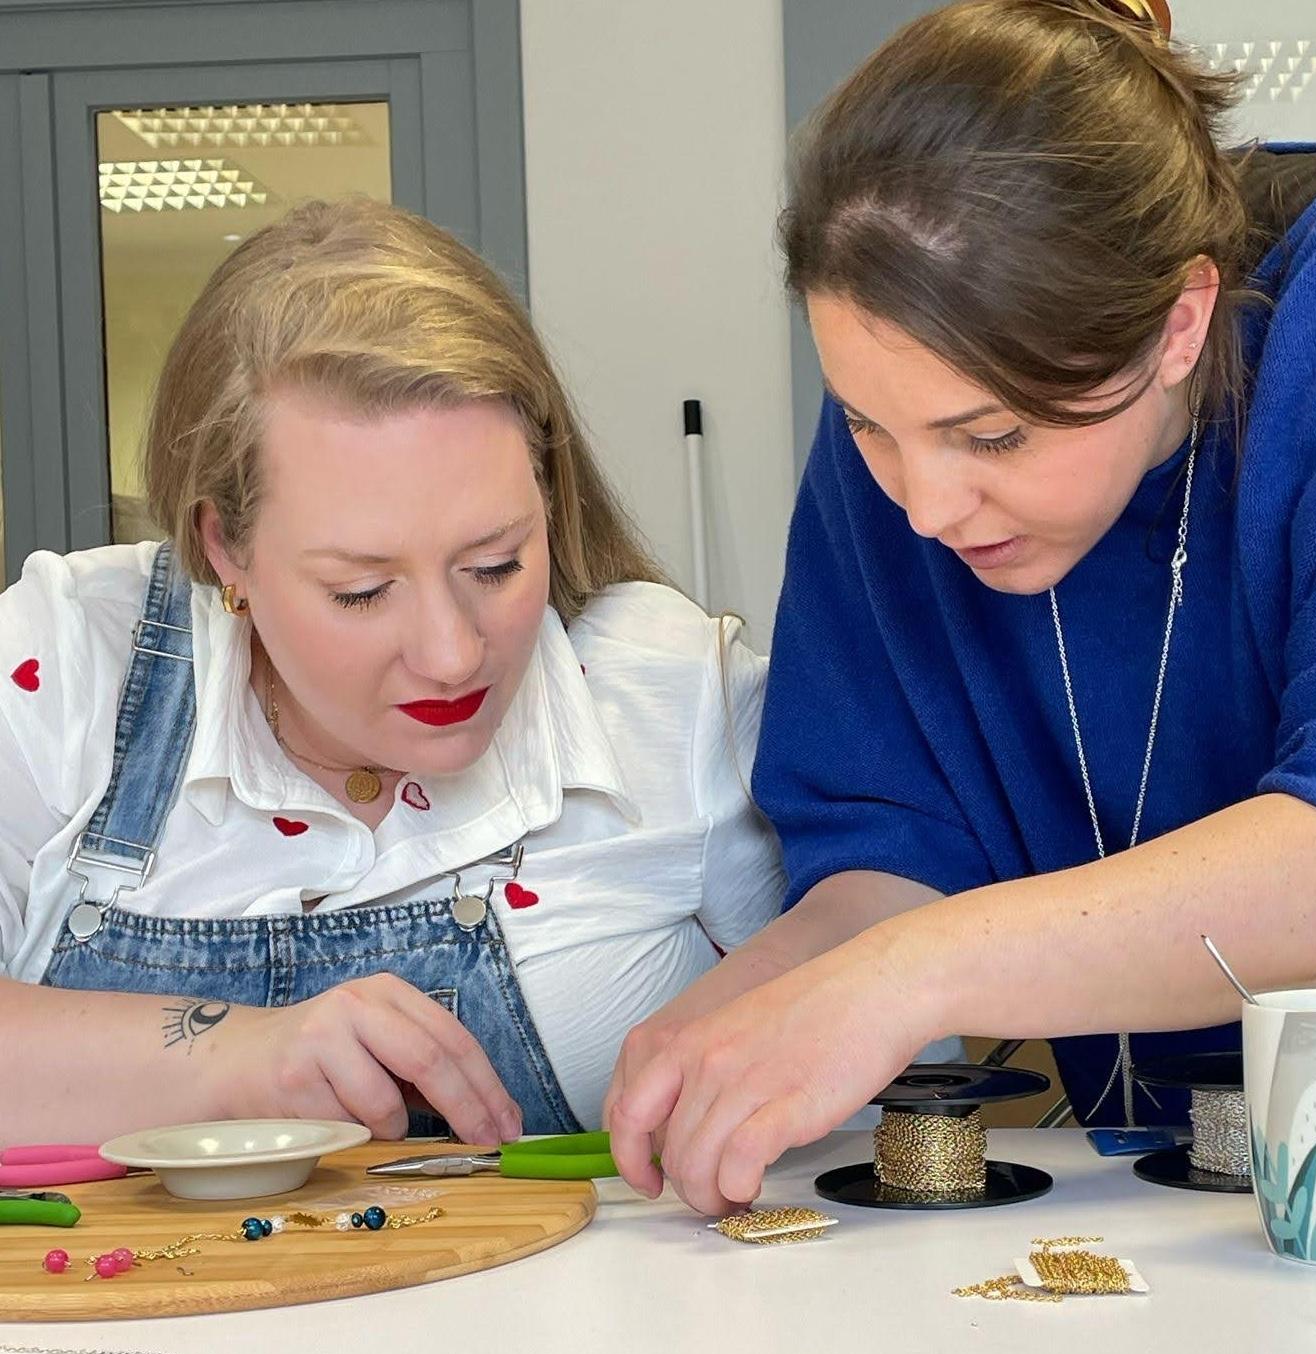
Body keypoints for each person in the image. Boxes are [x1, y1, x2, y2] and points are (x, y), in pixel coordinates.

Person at [607, 0, 1316, 1214]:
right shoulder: (910, 435)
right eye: (870, 426)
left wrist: (909, 978)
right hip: (1158, 1174)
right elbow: (891, 859)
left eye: (992, 433)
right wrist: (746, 1012)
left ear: (1178, 326)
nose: (925, 507)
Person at [0, 199, 785, 1147]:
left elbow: (870, 1068)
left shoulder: (667, 689)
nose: (453, 654)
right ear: (224, 548)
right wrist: (238, 1057)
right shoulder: (67, 663)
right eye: (362, 590)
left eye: (495, 566)